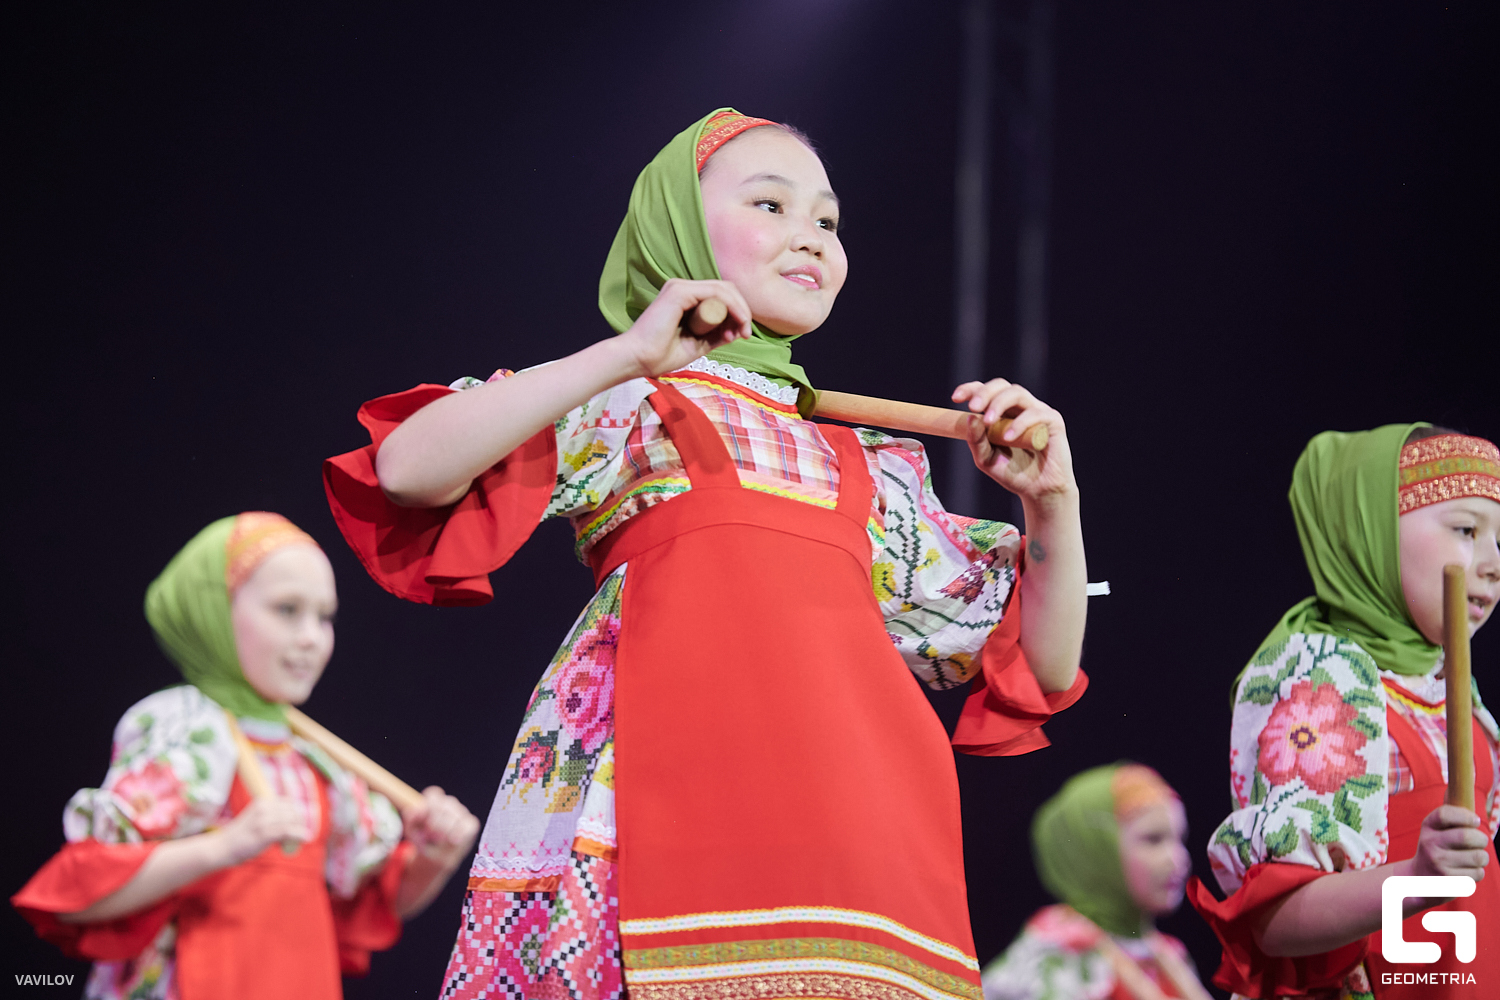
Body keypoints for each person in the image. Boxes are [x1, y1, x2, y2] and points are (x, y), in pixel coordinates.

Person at [324, 109, 1090, 1000]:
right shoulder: (632, 398)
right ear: (677, 227)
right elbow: (406, 469)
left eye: (829, 220)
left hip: (853, 839)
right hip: (654, 803)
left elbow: (1043, 664)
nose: (811, 235)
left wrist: (1054, 503)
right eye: (771, 204)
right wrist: (627, 354)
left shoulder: (872, 464)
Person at [12, 512, 480, 1000]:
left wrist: (434, 858)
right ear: (212, 608)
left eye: (324, 616)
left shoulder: (314, 759)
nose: (311, 637)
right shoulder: (184, 730)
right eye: (286, 609)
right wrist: (225, 847)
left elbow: (359, 905)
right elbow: (84, 896)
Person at [1189, 426, 1500, 998]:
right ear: (1370, 532)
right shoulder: (1321, 674)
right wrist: (1415, 879)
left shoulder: (1452, 691)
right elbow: (1275, 921)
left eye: (1499, 541)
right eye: (1465, 530)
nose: (1492, 563)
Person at [981, 763, 1213, 1000]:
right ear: (1097, 846)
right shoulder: (1060, 947)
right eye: (1153, 839)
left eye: (1180, 839)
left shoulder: (1169, 954)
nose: (1178, 859)